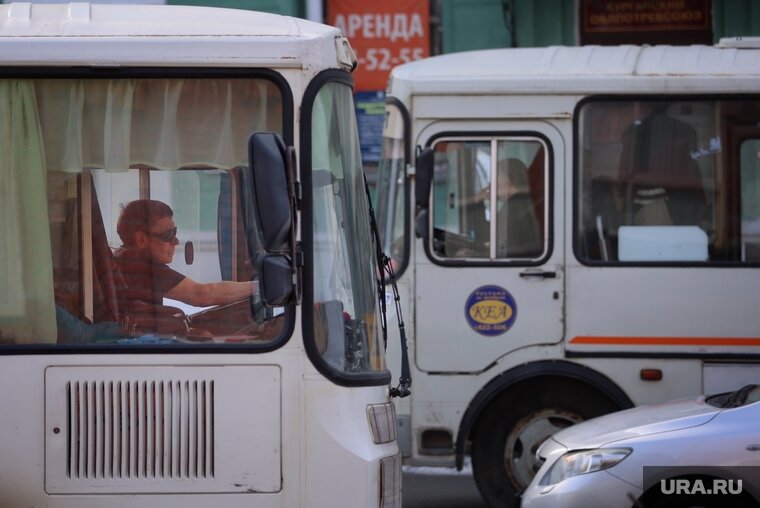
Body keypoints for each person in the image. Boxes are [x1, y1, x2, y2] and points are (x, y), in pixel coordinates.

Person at [114, 199, 256, 308]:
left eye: (174, 232)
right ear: (141, 239)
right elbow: (202, 294)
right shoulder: (139, 266)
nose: (175, 241)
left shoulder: (123, 258)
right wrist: (259, 286)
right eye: (168, 235)